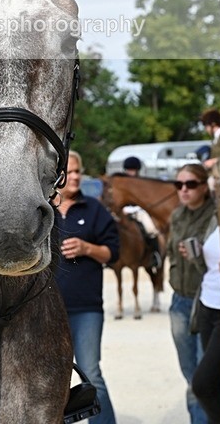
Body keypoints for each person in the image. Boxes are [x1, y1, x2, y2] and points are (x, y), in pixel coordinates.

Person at [54, 150, 120, 424]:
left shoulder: (94, 209)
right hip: (45, 312)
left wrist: (87, 248)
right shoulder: (40, 209)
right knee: (49, 379)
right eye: (70, 172)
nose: (76, 177)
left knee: (91, 374)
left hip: (86, 309)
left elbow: (113, 253)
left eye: (79, 171)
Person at [167, 163, 215, 424]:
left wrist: (199, 256)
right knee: (189, 375)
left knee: (202, 378)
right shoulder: (177, 216)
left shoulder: (216, 215)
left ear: (204, 187)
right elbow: (172, 253)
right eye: (179, 185)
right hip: (179, 302)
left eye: (190, 184)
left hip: (205, 301)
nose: (183, 190)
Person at [191, 219, 220, 424]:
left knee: (203, 384)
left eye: (191, 183)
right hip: (208, 305)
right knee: (219, 385)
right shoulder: (217, 216)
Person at [121, 155, 162, 271]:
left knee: (151, 230)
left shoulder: (141, 183)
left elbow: (145, 201)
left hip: (139, 211)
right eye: (129, 170)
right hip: (123, 211)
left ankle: (155, 255)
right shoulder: (122, 183)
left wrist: (135, 209)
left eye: (133, 170)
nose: (131, 172)